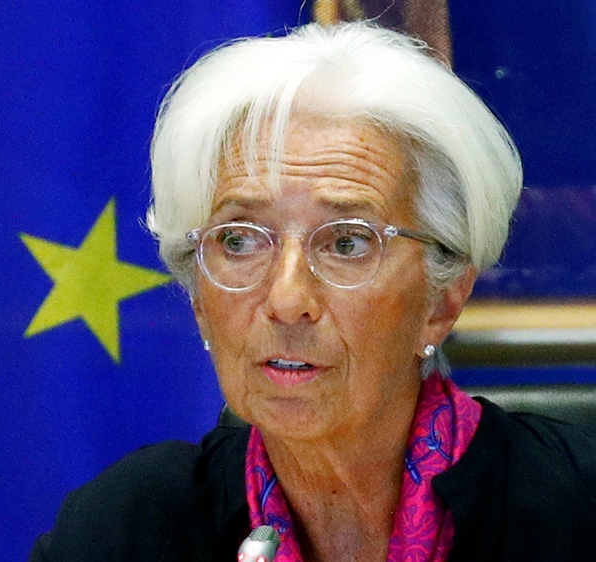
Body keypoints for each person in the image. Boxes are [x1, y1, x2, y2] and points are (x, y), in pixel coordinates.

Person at [30, 21, 596, 562]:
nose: (286, 298)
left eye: (347, 243)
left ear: (443, 299)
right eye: (240, 240)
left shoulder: (575, 510)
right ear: (201, 301)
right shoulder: (123, 531)